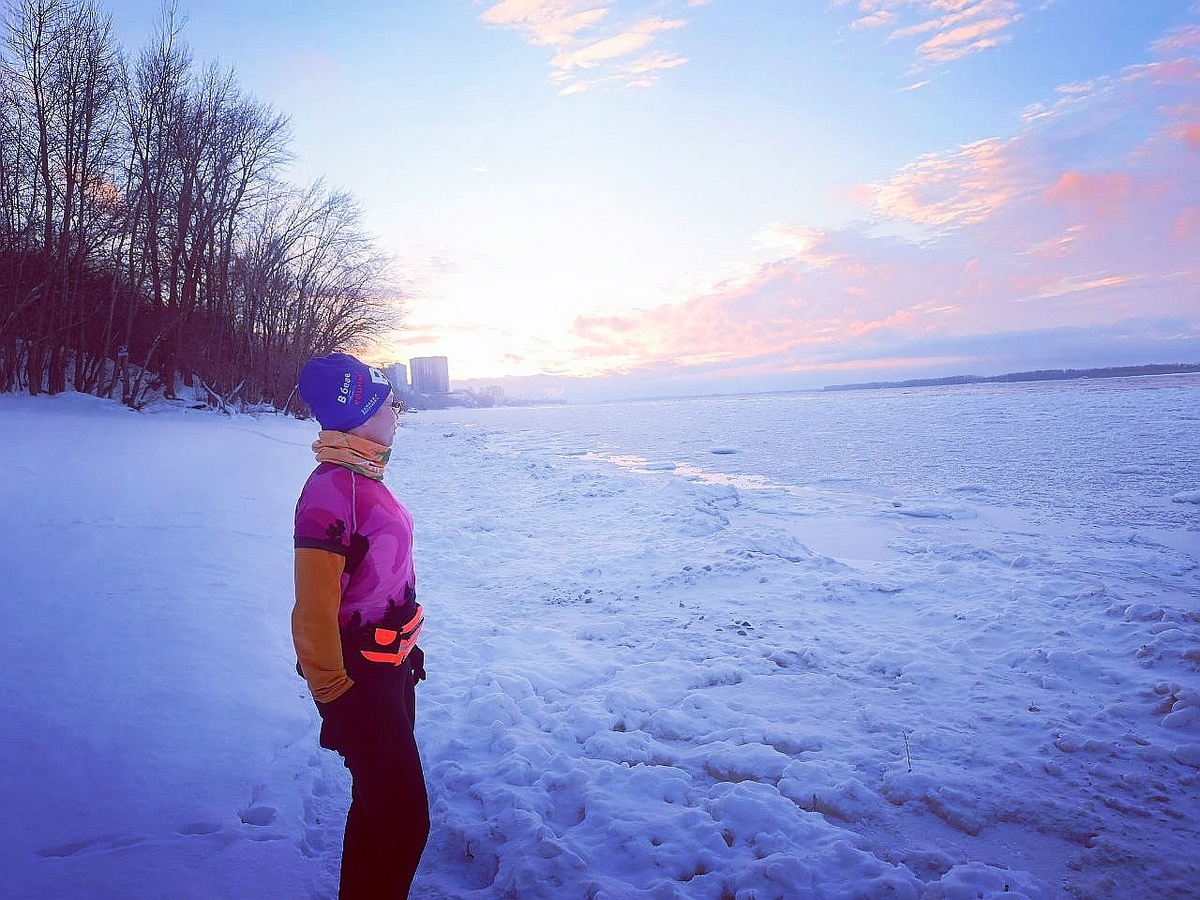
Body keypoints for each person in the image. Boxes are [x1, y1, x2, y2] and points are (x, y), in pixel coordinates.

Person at [292, 352, 429, 899]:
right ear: (360, 413)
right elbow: (313, 609)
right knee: (404, 822)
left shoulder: (361, 477)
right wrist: (334, 694)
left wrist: (406, 650)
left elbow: (379, 576)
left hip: (388, 670)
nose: (397, 411)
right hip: (358, 683)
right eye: (388, 402)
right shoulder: (332, 490)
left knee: (374, 810)